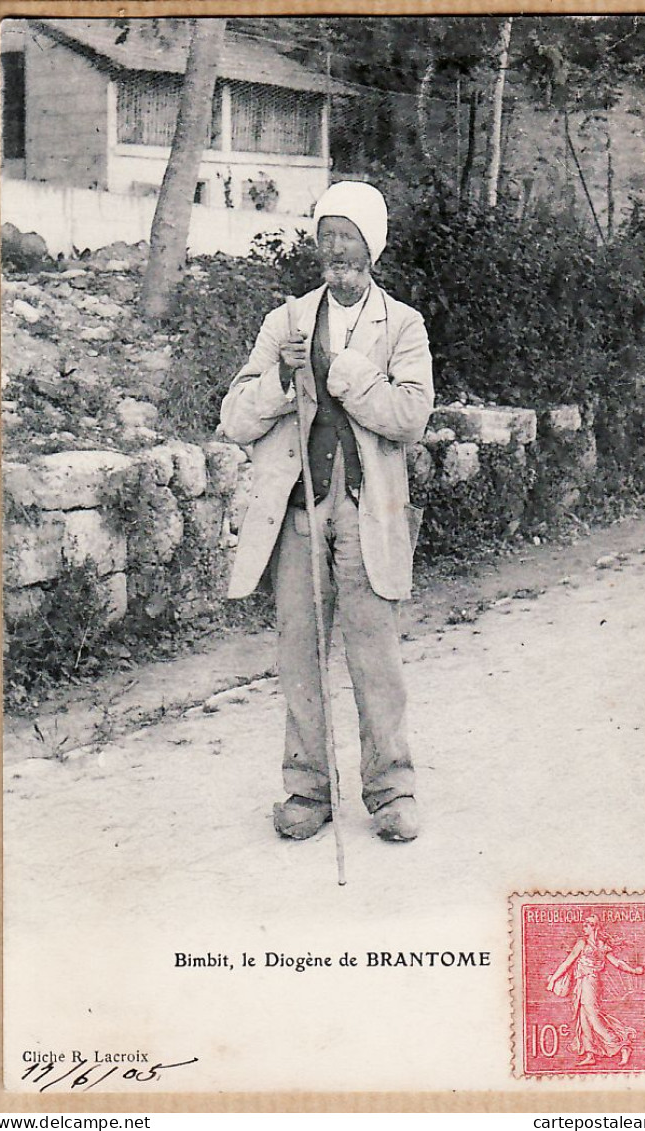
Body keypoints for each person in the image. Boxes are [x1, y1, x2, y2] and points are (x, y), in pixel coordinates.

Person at [218, 181, 434, 843]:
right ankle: (307, 791)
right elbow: (234, 417)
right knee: (300, 655)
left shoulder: (401, 325)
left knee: (373, 657)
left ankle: (391, 792)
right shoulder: (286, 321)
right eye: (327, 239)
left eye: (350, 240)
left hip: (367, 512)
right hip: (301, 510)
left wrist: (347, 374)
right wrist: (285, 383)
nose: (337, 253)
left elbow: (410, 417)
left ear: (373, 247)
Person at [546, 914, 645, 1066]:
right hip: (582, 983)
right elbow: (568, 962)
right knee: (583, 1018)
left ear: (594, 927)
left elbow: (617, 963)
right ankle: (590, 1054)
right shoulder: (584, 943)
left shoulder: (596, 944)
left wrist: (634, 971)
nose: (583, 927)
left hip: (591, 983)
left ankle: (622, 1046)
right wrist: (554, 978)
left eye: (587, 924)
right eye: (584, 924)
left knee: (593, 1017)